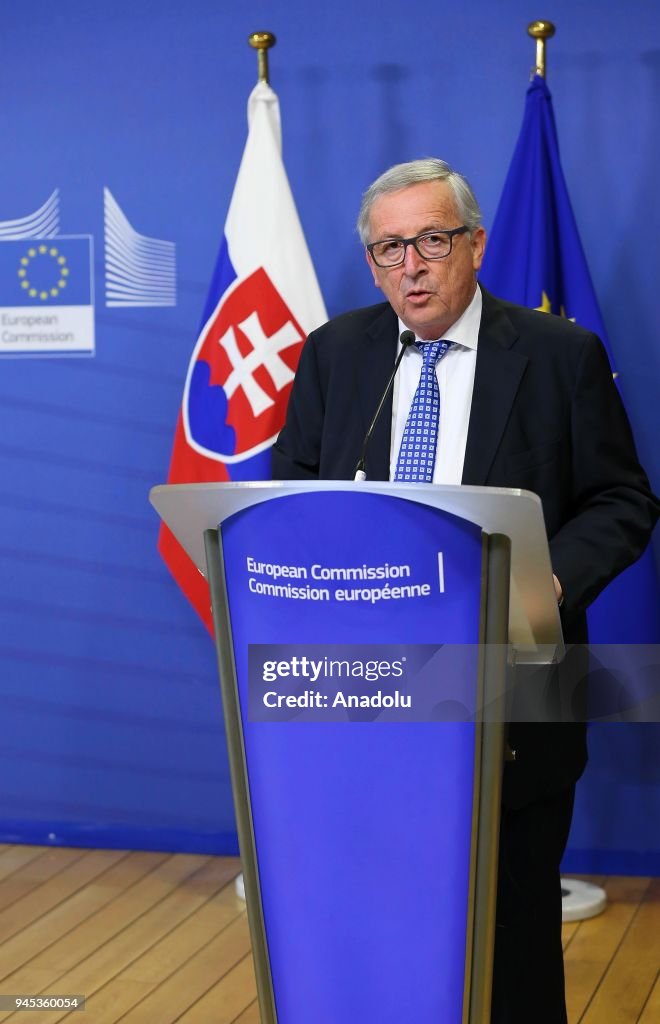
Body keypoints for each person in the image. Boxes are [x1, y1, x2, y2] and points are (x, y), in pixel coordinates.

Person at [272, 158, 658, 1023]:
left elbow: (623, 499)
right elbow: (290, 490)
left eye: (432, 240)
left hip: (515, 679)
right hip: (362, 684)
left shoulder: (561, 356)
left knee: (512, 936)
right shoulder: (336, 353)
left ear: (475, 244)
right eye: (388, 249)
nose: (411, 265)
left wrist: (549, 582)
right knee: (373, 921)